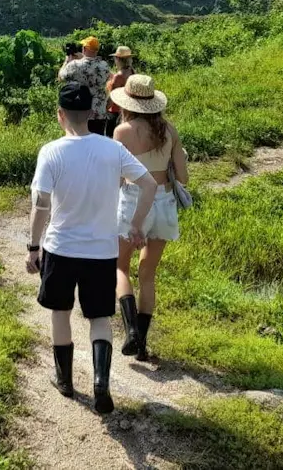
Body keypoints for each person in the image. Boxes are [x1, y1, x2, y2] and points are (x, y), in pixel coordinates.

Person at [26, 82, 158, 415]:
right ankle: (101, 383)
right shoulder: (111, 149)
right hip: (101, 251)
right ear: (91, 114)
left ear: (60, 115)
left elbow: (41, 204)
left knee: (60, 313)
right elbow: (148, 183)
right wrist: (136, 224)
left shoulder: (51, 151)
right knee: (99, 318)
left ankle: (65, 381)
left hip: (60, 248)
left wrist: (33, 247)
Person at [111, 74, 186, 363]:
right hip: (165, 202)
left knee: (120, 266)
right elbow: (183, 177)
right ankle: (141, 344)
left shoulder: (123, 132)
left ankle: (131, 331)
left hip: (134, 199)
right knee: (148, 273)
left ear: (127, 103)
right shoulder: (170, 130)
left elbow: (117, 177)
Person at [58, 37, 112, 135]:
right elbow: (109, 77)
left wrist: (67, 61)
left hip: (79, 112)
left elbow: (61, 77)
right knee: (98, 140)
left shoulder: (74, 65)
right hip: (99, 112)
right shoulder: (104, 66)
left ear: (84, 49)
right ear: (97, 50)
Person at [105, 46, 135, 137]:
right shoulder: (132, 71)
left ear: (118, 59)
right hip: (126, 110)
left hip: (115, 112)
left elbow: (112, 98)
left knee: (111, 138)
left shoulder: (119, 76)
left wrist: (103, 109)